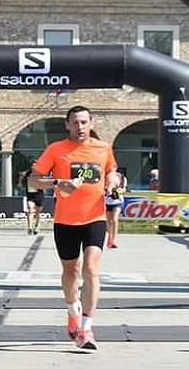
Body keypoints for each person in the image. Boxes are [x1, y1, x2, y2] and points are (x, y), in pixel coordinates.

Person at [30, 105, 122, 350]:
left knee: (91, 269)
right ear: (67, 125)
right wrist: (58, 183)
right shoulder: (56, 150)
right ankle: (72, 310)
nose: (79, 127)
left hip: (95, 218)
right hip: (65, 221)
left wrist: (113, 180)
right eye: (75, 123)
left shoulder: (103, 148)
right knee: (71, 272)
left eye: (83, 122)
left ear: (91, 123)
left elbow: (112, 170)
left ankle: (87, 327)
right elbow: (32, 179)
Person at [104, 169, 128, 249]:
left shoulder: (121, 177)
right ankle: (109, 237)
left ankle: (113, 240)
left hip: (118, 201)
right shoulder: (105, 176)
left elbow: (124, 189)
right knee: (108, 221)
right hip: (107, 201)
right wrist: (107, 190)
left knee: (114, 219)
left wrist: (118, 191)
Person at [20, 168, 44, 235]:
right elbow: (22, 180)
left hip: (39, 195)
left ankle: (37, 225)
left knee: (37, 212)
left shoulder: (40, 174)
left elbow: (44, 183)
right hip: (30, 195)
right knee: (30, 210)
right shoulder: (28, 173)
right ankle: (30, 227)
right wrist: (22, 177)